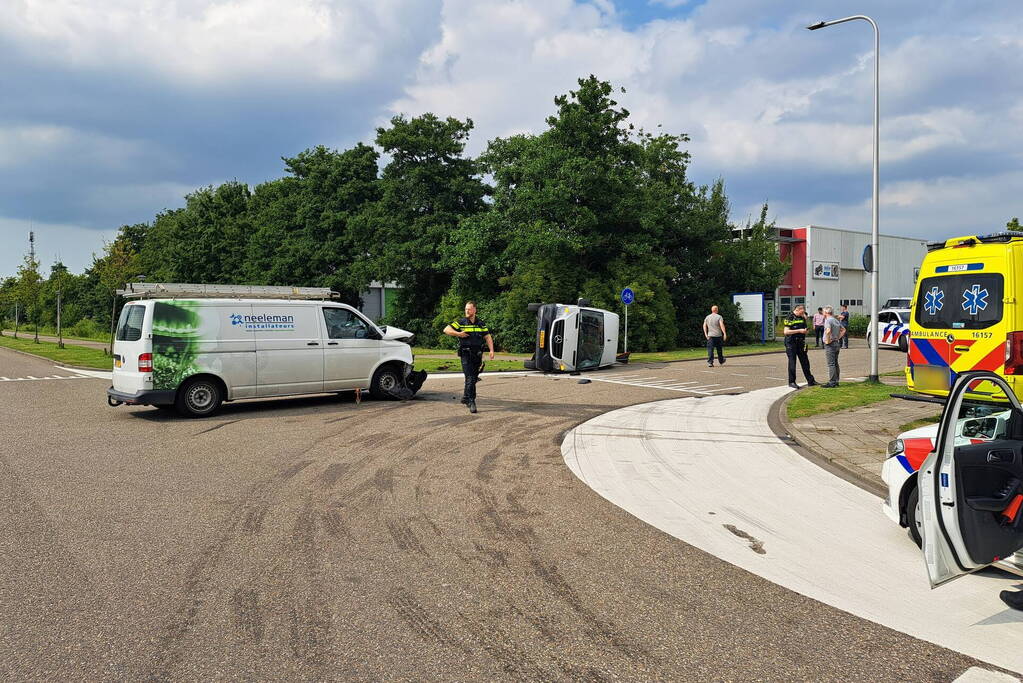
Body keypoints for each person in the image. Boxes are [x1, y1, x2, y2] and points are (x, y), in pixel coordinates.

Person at [443, 301, 495, 414]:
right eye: (466, 309)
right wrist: (458, 334)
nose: (467, 311)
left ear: (475, 310)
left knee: (473, 378)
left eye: (469, 309)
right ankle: (471, 401)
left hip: (477, 355)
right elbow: (446, 330)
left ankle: (466, 397)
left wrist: (491, 350)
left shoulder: (480, 323)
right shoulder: (461, 322)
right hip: (466, 354)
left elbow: (488, 337)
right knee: (470, 378)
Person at [783, 304, 817, 389]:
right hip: (791, 343)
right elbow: (786, 332)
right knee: (792, 362)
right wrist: (799, 330)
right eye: (802, 312)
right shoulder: (789, 317)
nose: (803, 314)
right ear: (797, 310)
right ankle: (792, 382)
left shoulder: (802, 317)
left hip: (801, 342)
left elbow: (805, 329)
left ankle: (810, 380)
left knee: (805, 362)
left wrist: (805, 331)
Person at [822, 305, 845, 388]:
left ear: (826, 312)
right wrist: (838, 337)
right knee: (835, 363)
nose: (823, 313)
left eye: (823, 312)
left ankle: (832, 382)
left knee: (831, 364)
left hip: (830, 345)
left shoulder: (828, 320)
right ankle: (836, 380)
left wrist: (827, 340)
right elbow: (843, 330)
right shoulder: (836, 320)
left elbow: (828, 331)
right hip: (836, 343)